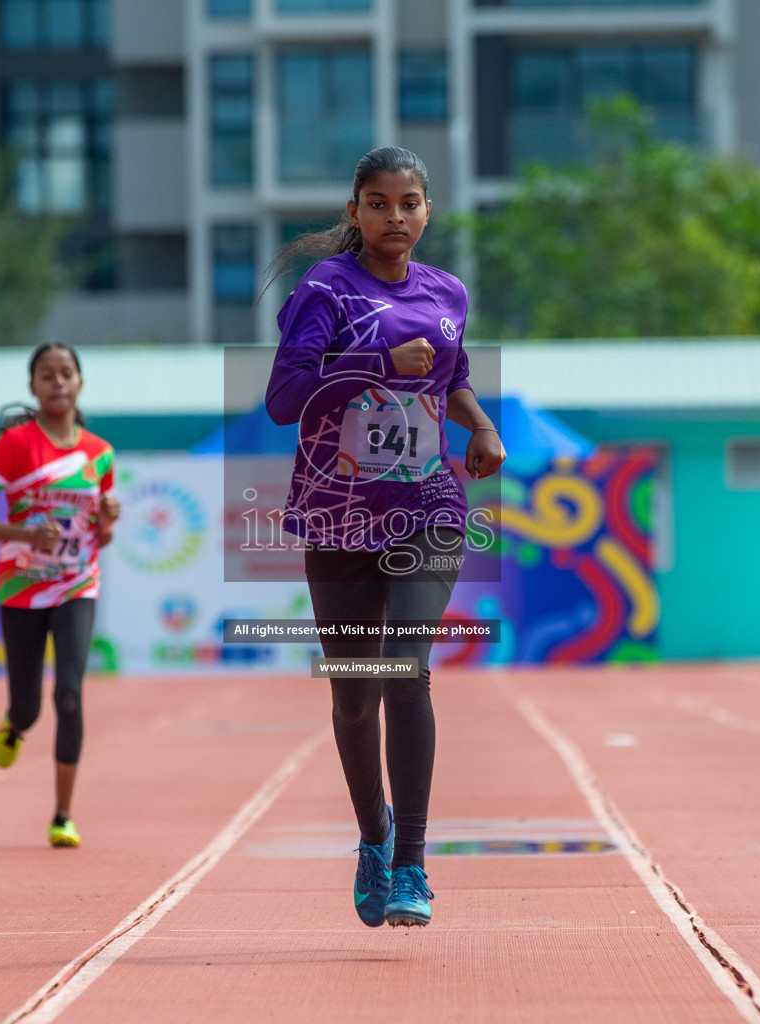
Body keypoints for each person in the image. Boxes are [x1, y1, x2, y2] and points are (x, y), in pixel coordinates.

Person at [264, 147, 505, 928]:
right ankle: (374, 836)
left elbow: (450, 374)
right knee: (353, 696)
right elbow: (283, 396)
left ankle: (412, 867)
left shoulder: (449, 293)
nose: (394, 217)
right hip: (338, 513)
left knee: (406, 668)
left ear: (428, 210)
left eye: (408, 203)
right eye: (377, 203)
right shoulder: (326, 290)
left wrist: (480, 425)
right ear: (355, 211)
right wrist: (373, 359)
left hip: (427, 505)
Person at [0, 342, 120, 849]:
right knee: (28, 706)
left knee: (68, 695)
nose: (57, 382)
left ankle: (63, 814)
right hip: (23, 586)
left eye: (66, 373)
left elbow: (101, 534)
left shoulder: (100, 453)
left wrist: (108, 522)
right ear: (32, 386)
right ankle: (15, 724)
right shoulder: (15, 445)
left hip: (77, 584)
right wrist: (29, 536)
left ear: (80, 383)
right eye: (46, 375)